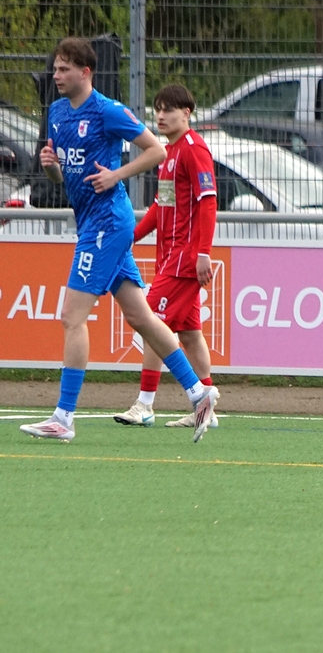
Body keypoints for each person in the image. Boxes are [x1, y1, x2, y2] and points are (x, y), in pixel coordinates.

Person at [18, 38, 219, 444]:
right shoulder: (56, 113)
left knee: (71, 318)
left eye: (63, 69)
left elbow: (156, 151)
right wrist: (52, 168)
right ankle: (199, 394)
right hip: (91, 222)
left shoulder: (107, 111)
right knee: (142, 318)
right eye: (55, 69)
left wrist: (116, 175)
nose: (55, 76)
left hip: (108, 223)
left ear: (85, 72)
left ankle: (63, 417)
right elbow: (63, 179)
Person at [113, 84, 220, 431]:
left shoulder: (193, 150)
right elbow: (162, 207)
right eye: (157, 109)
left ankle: (145, 404)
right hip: (170, 257)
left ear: (186, 113)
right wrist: (129, 237)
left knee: (149, 323)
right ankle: (207, 409)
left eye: (169, 110)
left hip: (184, 258)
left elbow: (208, 201)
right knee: (188, 334)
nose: (160, 116)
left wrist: (203, 252)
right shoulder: (168, 153)